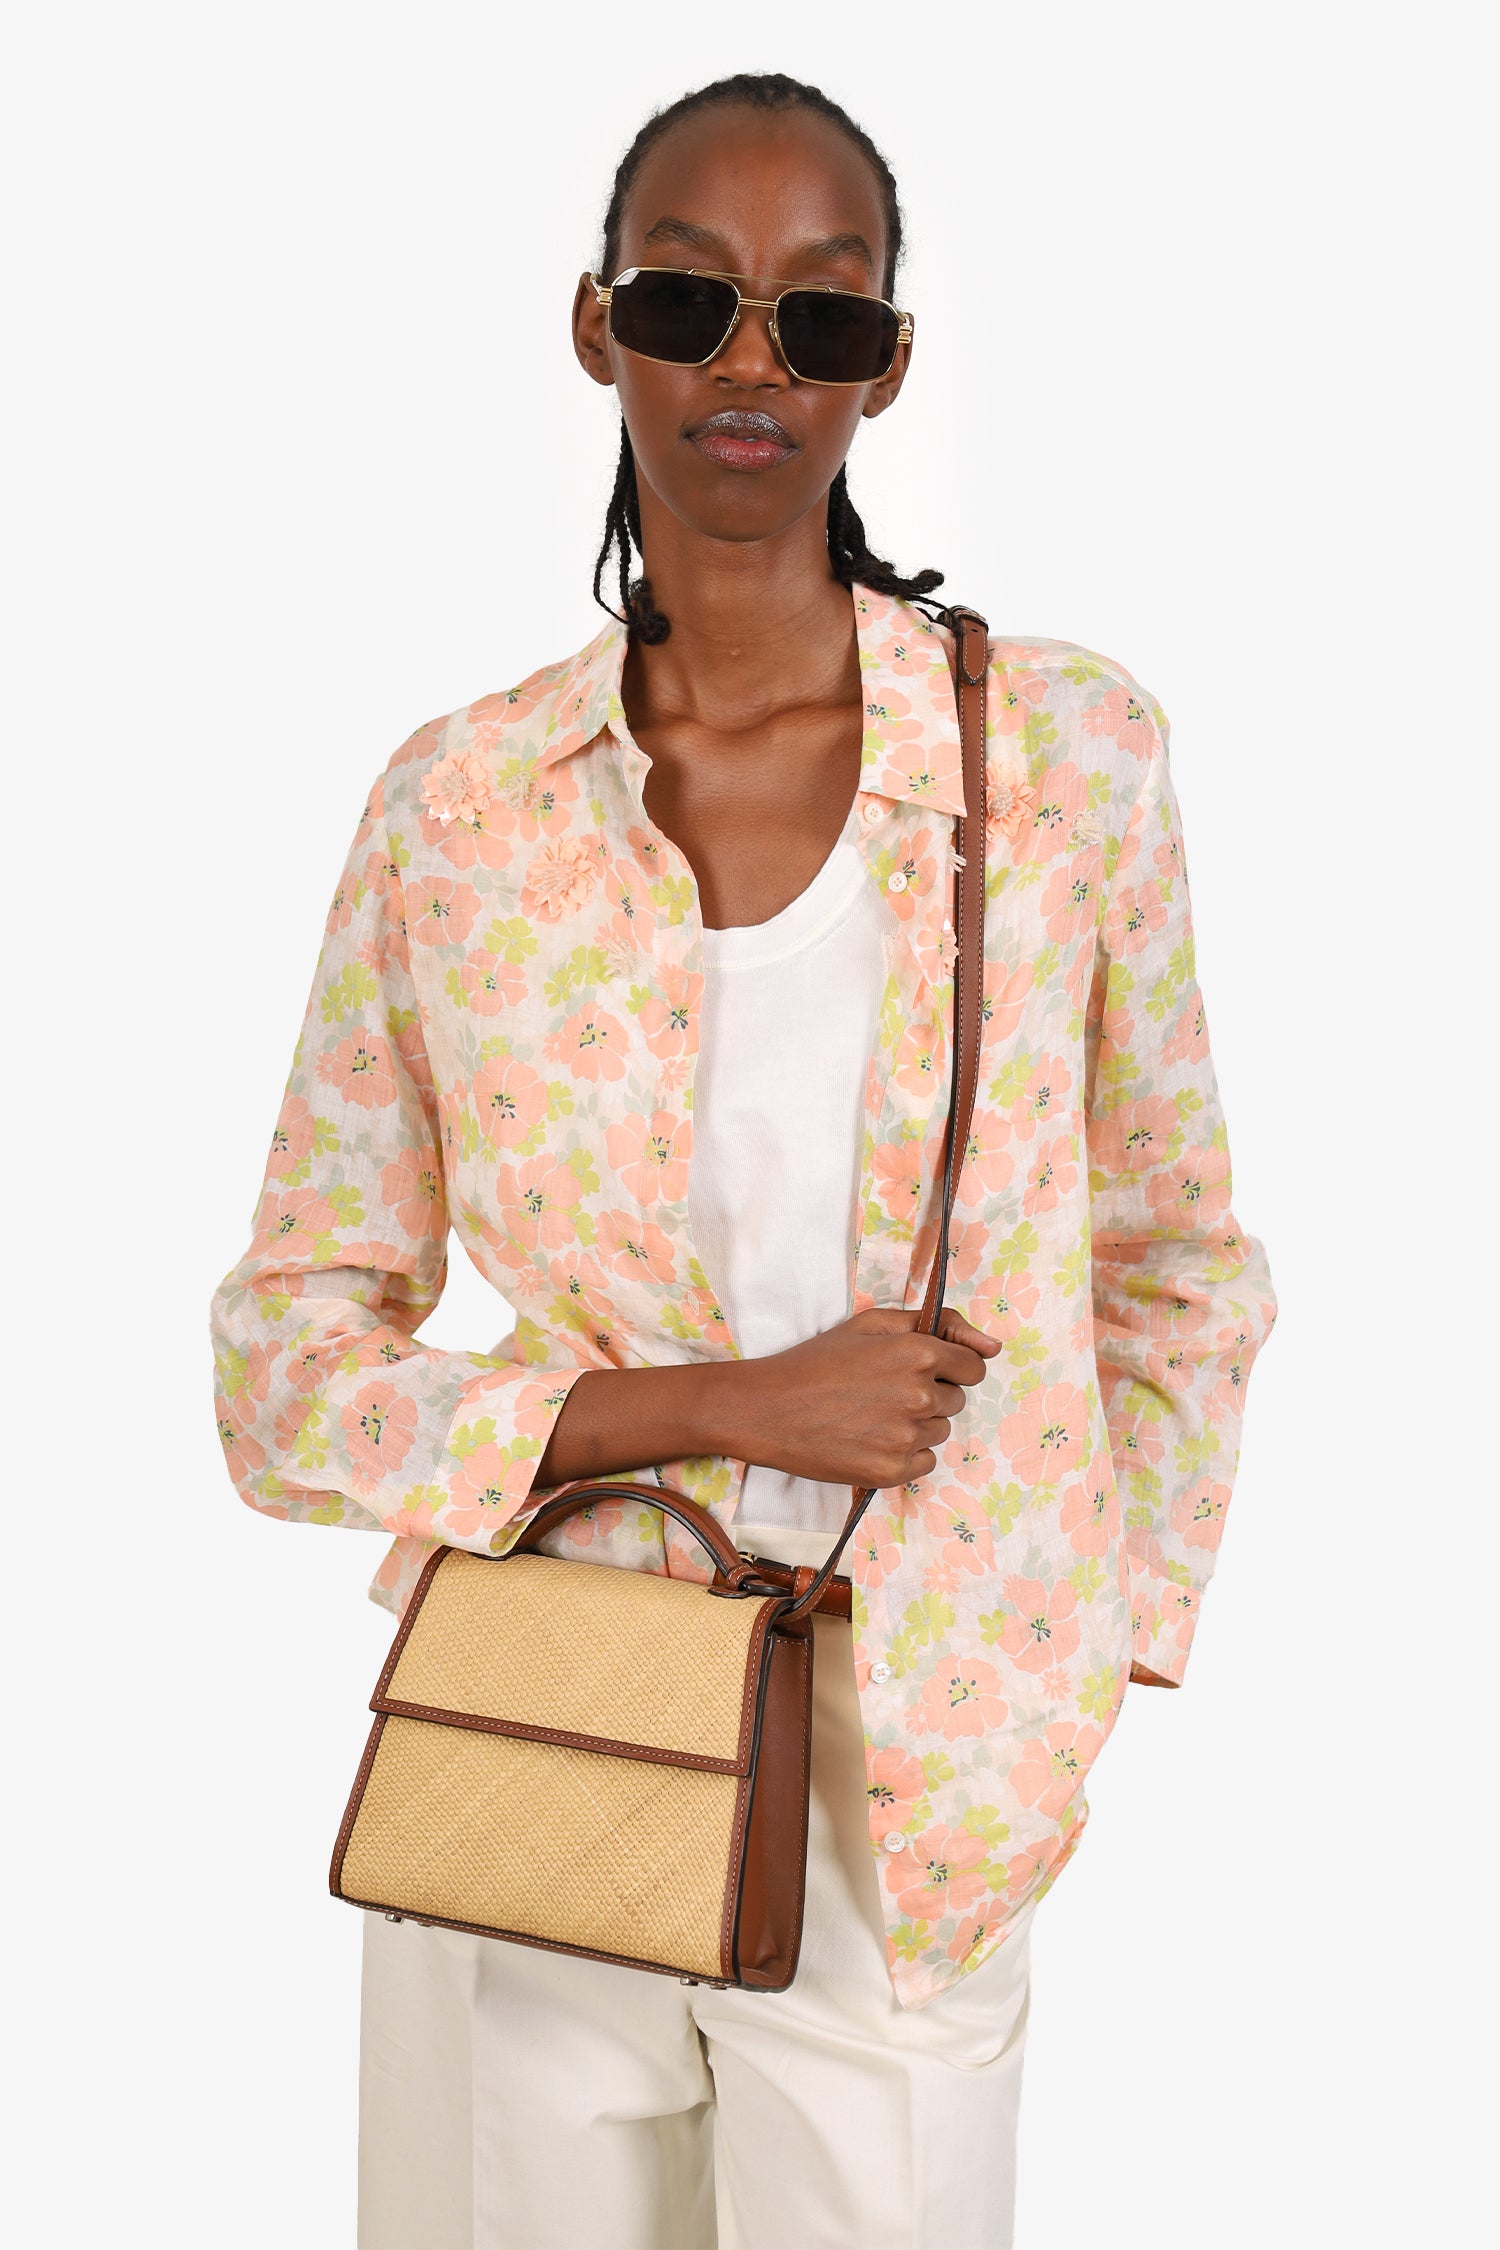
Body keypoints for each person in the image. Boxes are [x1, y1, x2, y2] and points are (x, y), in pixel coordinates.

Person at [210, 70, 1276, 2250]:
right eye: (691, 301)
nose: (753, 367)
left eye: (826, 316)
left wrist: (1091, 1643)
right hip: (542, 1720)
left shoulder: (1065, 758)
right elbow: (284, 1364)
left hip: (924, 1754)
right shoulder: (462, 808)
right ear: (597, 327)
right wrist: (725, 1408)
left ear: (892, 365)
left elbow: (1177, 1257)